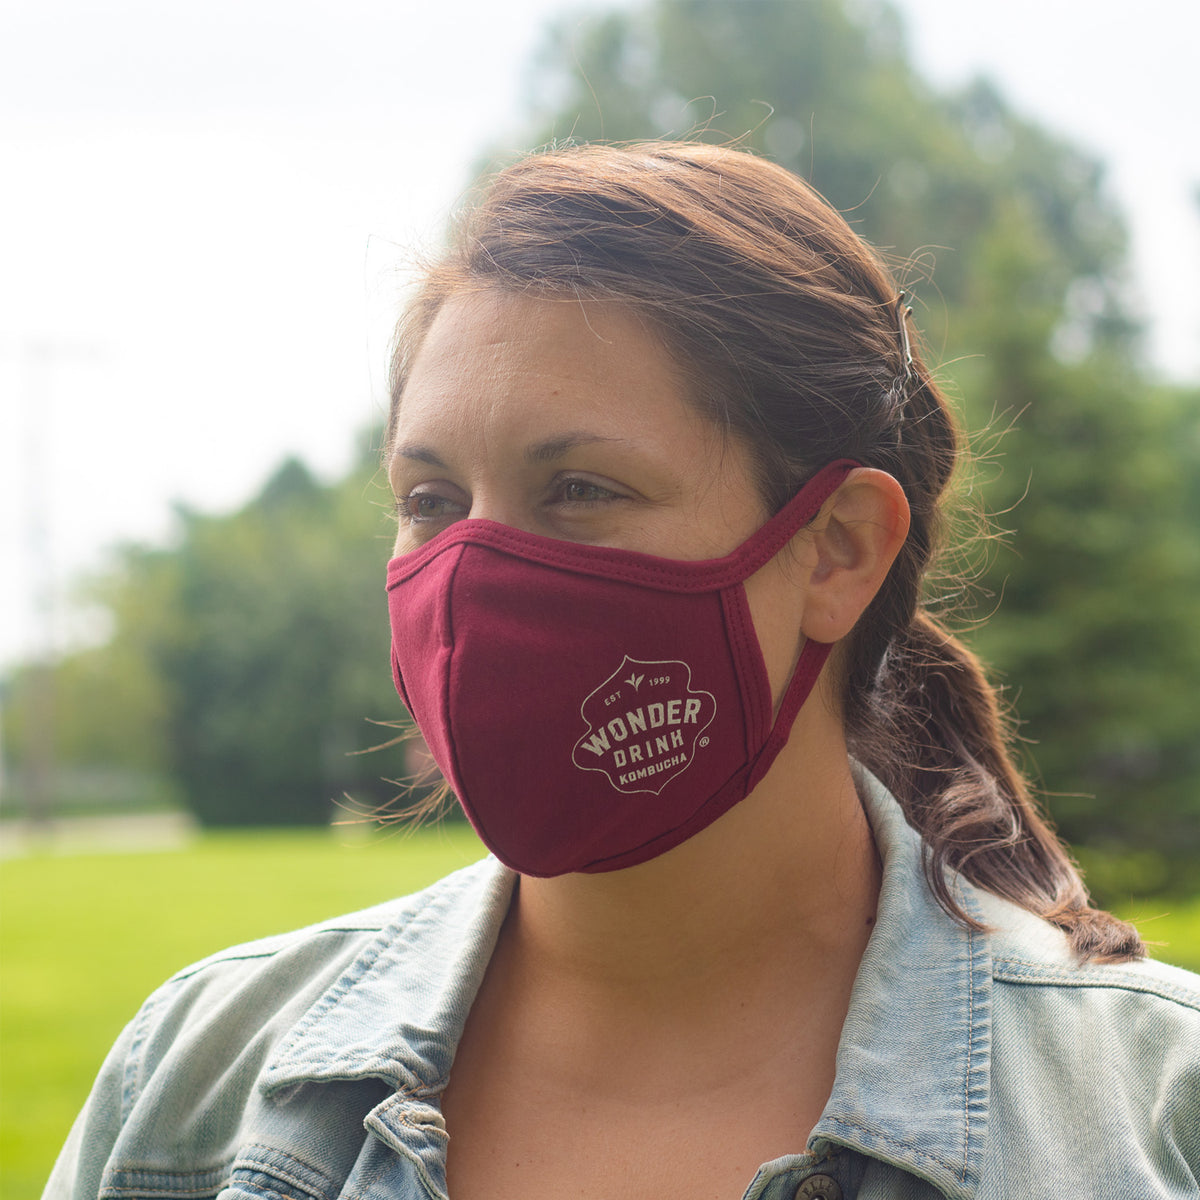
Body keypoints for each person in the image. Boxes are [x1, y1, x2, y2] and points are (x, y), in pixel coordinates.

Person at [47, 142, 1199, 1200]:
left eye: (581, 489)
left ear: (840, 549)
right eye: (431, 501)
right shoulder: (192, 1083)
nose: (473, 575)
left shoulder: (1151, 1112)